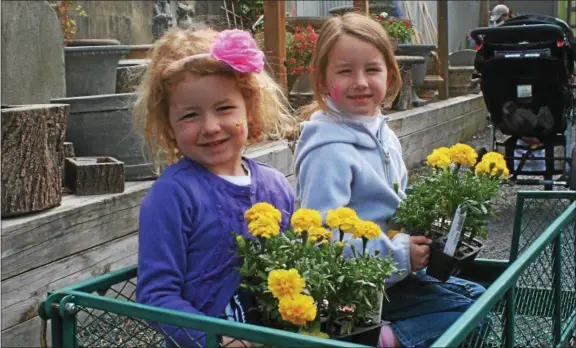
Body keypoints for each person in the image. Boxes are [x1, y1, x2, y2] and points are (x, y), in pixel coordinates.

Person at [294, 13, 486, 348]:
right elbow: (320, 243)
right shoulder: (328, 153)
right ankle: (385, 340)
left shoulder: (383, 132)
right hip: (356, 288)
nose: (360, 82)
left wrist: (432, 221)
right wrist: (399, 255)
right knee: (474, 311)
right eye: (344, 71)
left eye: (372, 69)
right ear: (323, 81)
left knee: (481, 297)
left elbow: (394, 205)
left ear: (390, 74)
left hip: (391, 277)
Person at [134, 27, 297, 347]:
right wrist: (212, 338)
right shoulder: (172, 196)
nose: (210, 127)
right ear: (169, 125)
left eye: (224, 109)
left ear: (249, 108)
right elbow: (156, 293)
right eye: (190, 115)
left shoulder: (276, 186)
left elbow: (295, 267)